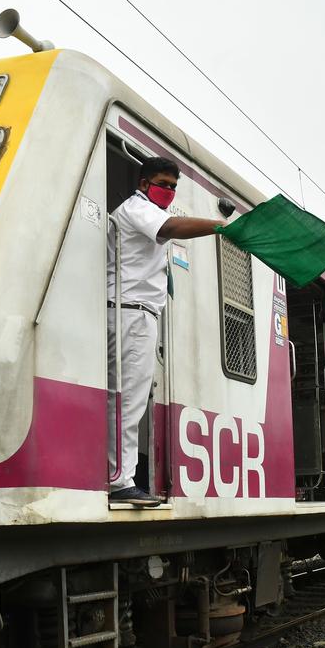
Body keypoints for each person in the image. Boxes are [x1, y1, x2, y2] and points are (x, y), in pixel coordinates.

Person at [107, 156, 228, 506]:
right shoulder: (137, 208)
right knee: (126, 397)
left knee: (131, 396)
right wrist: (220, 227)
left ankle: (122, 475)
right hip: (130, 311)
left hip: (138, 313)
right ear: (145, 183)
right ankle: (120, 479)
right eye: (164, 184)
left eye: (174, 187)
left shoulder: (145, 211)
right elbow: (171, 228)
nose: (169, 192)